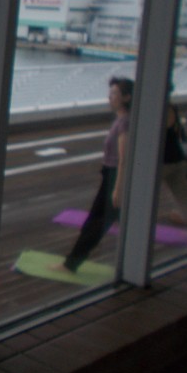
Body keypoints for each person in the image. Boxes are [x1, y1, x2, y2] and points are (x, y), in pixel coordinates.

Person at [52, 76, 133, 274]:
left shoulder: (124, 123)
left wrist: (118, 188)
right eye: (110, 93)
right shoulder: (122, 120)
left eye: (114, 93)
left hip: (114, 177)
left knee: (96, 223)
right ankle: (72, 262)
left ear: (127, 97)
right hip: (110, 176)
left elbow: (124, 159)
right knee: (97, 221)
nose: (110, 97)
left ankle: (71, 264)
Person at [161, 95, 187, 234]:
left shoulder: (160, 109)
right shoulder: (171, 108)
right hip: (176, 157)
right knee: (182, 194)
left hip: (164, 160)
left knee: (142, 192)